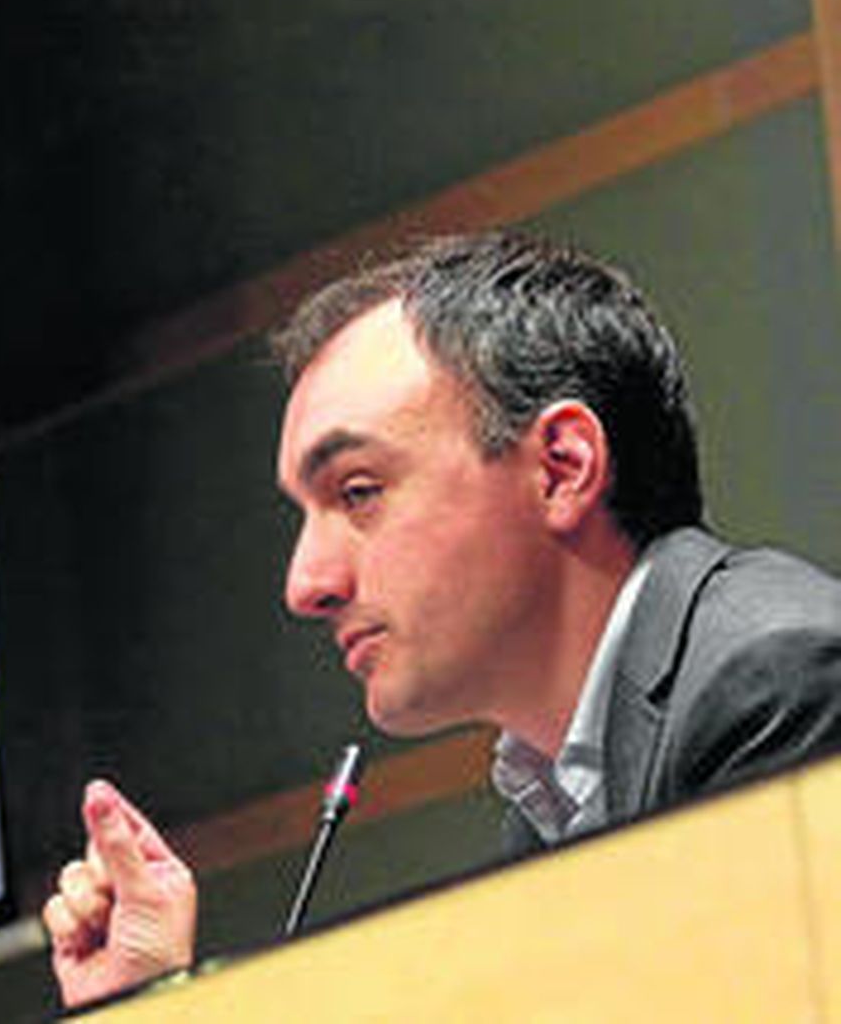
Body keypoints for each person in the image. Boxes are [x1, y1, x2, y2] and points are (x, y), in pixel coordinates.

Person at [41, 231, 841, 1008]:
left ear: (562, 467)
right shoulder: (555, 804)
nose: (304, 583)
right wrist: (149, 1005)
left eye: (358, 492)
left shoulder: (776, 684)